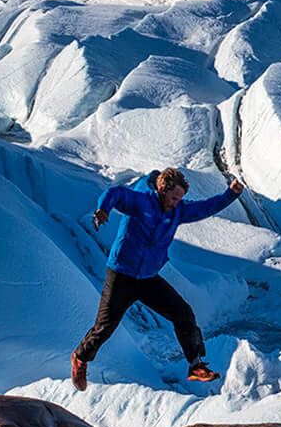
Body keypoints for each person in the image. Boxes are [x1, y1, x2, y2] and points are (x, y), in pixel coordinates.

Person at [71, 166, 246, 390]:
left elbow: (206, 208)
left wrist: (231, 194)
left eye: (180, 198)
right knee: (105, 327)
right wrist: (103, 209)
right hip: (121, 275)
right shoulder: (141, 202)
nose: (176, 203)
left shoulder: (178, 210)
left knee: (183, 313)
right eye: (174, 198)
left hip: (147, 279)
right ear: (162, 189)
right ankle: (81, 358)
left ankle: (195, 366)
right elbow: (115, 193)